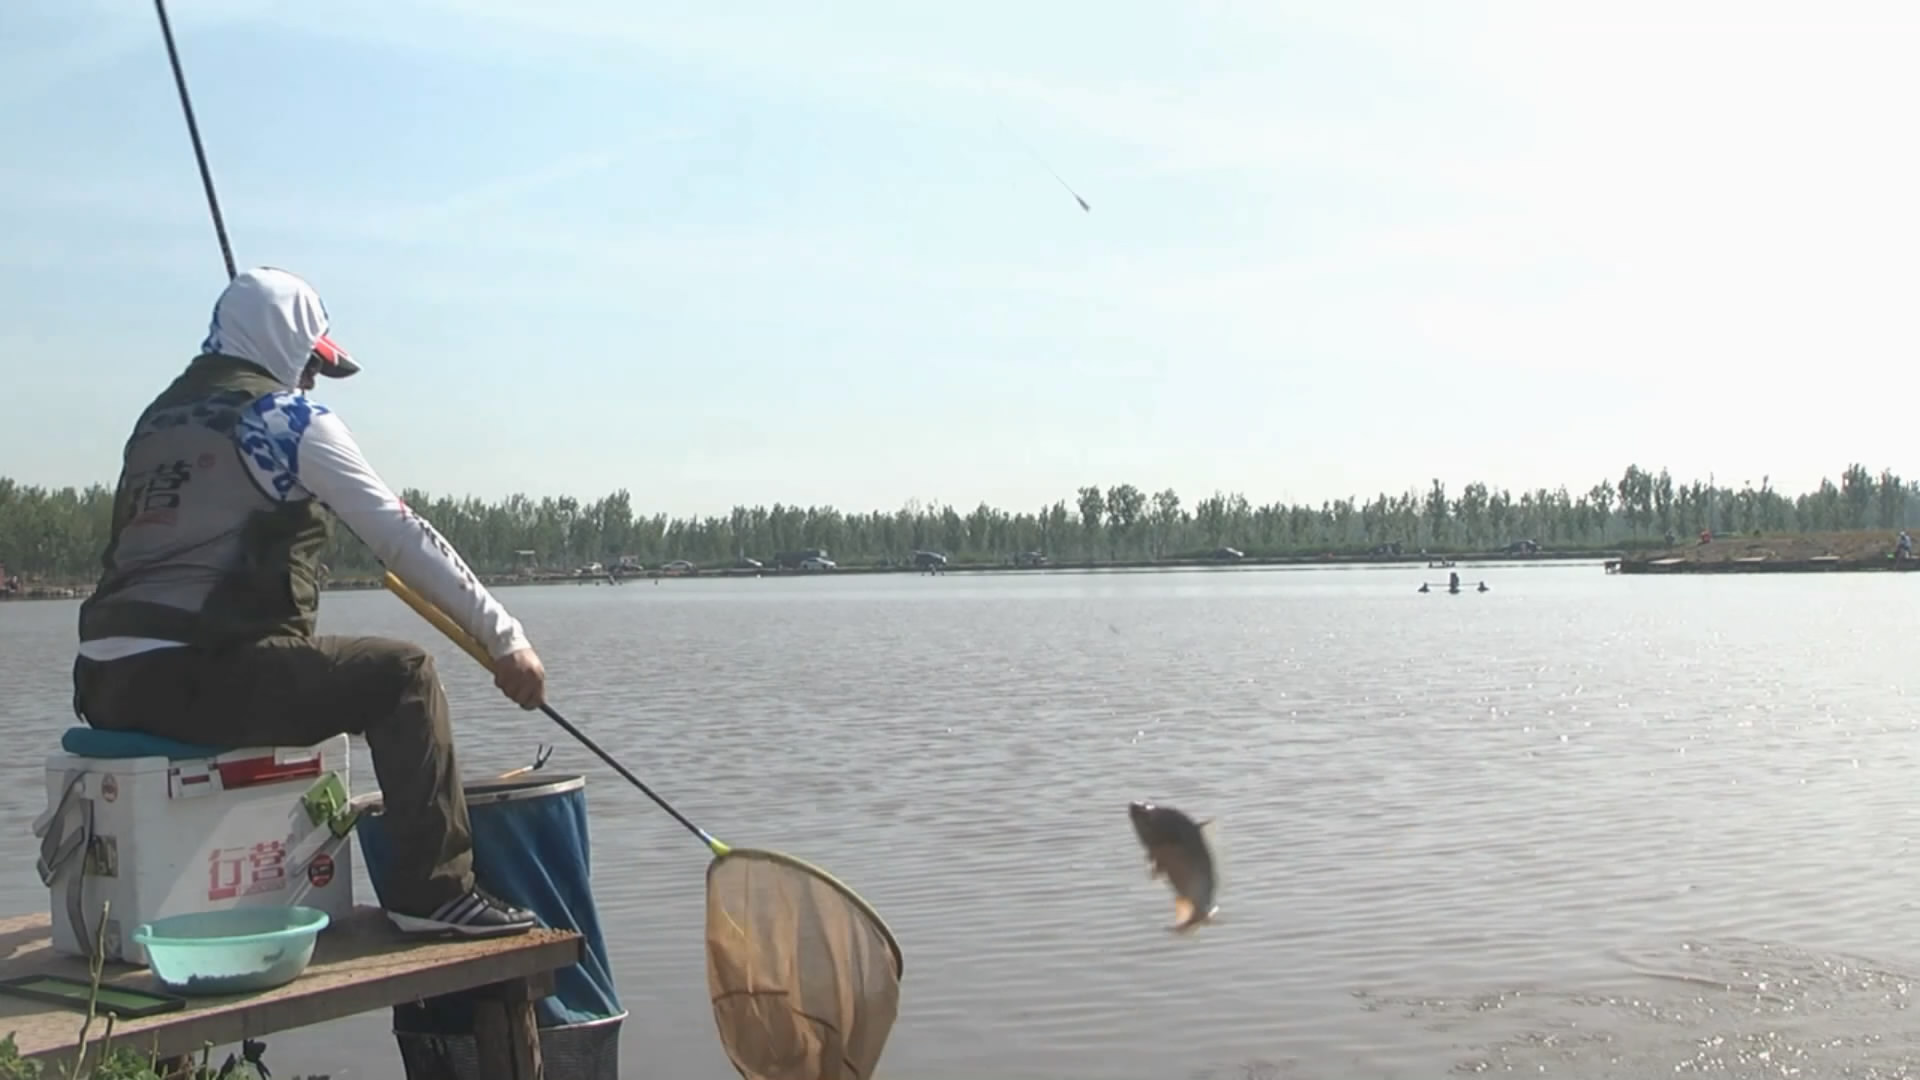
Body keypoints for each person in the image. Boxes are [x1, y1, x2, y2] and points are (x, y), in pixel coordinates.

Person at [72, 266, 547, 939]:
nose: (312, 381)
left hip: (101, 680)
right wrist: (506, 639)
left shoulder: (157, 419)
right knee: (401, 678)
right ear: (284, 346)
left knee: (326, 672)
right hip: (195, 675)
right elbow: (402, 536)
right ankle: (434, 893)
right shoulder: (285, 419)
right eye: (311, 364)